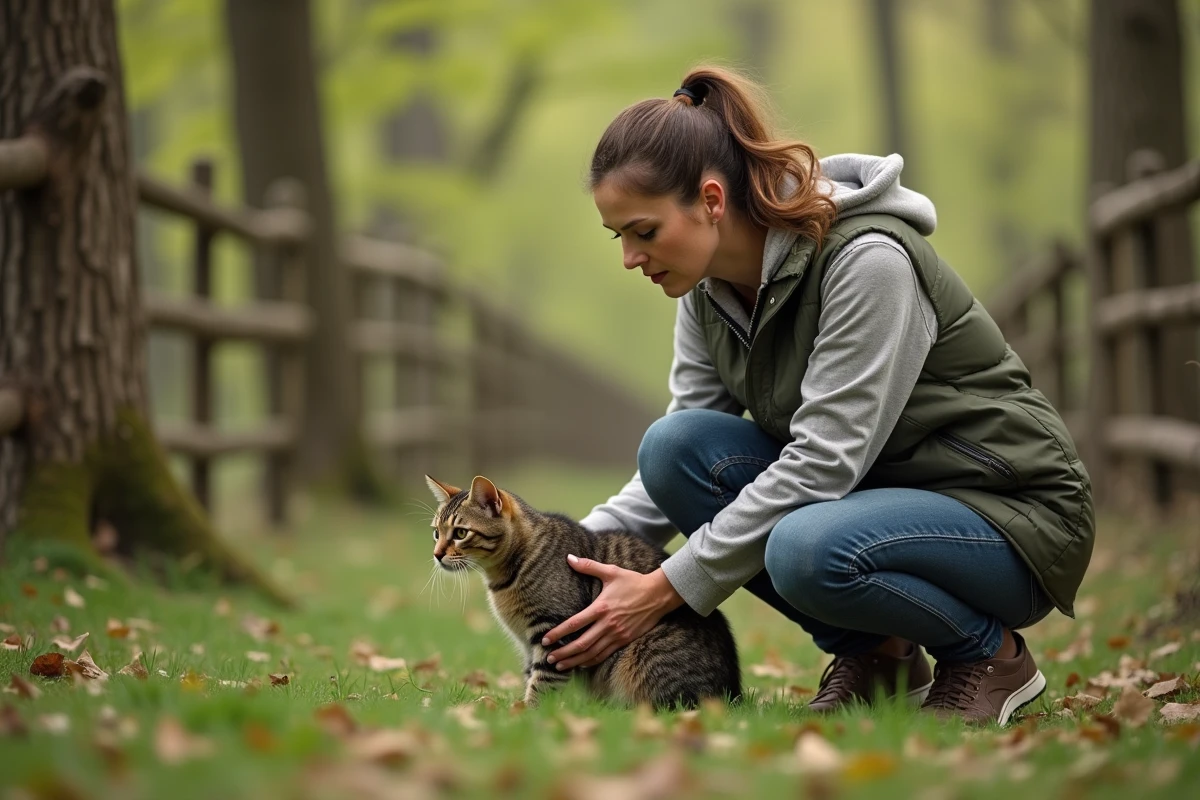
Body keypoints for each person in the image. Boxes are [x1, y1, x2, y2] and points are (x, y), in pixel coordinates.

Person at [539, 66, 1094, 725]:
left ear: (711, 201)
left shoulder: (869, 262)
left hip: (1010, 518)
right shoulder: (706, 293)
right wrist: (547, 554)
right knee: (675, 450)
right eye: (619, 236)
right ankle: (881, 656)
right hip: (873, 507)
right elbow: (681, 455)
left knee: (804, 547)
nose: (630, 257)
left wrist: (666, 587)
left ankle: (990, 656)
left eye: (644, 231)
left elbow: (825, 463)